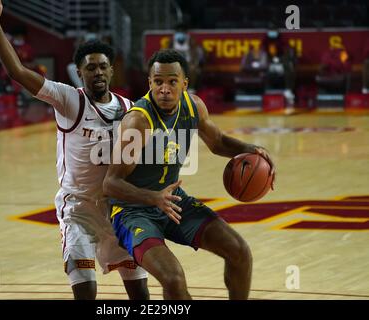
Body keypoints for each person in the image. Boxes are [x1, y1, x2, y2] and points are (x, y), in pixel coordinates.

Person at [0, 0, 149, 300]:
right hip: (79, 211)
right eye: (90, 68)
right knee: (86, 292)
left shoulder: (129, 108)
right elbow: (17, 71)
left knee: (140, 295)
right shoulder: (69, 99)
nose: (97, 72)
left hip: (118, 212)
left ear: (111, 70)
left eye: (103, 67)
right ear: (80, 73)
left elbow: (140, 161)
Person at [103, 49, 276, 300]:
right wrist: (153, 198)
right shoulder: (138, 122)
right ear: (149, 82)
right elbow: (111, 184)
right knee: (173, 279)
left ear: (185, 83)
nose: (164, 88)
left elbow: (217, 143)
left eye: (172, 81)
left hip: (172, 200)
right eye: (158, 81)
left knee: (239, 251)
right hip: (132, 211)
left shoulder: (194, 106)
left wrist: (251, 150)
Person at [169, 22, 204, 93]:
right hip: (176, 62)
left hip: (188, 62)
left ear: (185, 32)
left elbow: (195, 54)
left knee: (193, 69)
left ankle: (191, 88)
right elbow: (169, 52)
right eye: (178, 31)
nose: (180, 32)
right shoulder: (172, 41)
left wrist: (194, 63)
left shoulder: (190, 40)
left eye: (182, 31)